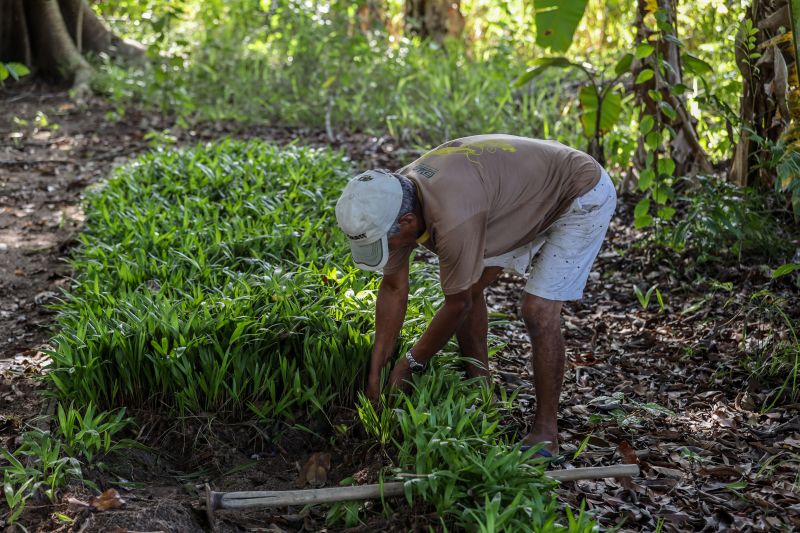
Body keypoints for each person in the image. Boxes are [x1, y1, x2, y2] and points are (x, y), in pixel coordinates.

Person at [335, 134, 616, 456]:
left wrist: (410, 363)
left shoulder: (453, 220)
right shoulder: (391, 198)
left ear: (408, 222)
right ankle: (483, 395)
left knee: (537, 310)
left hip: (578, 193)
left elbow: (458, 304)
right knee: (470, 285)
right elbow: (394, 287)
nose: (385, 251)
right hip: (509, 196)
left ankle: (546, 432)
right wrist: (376, 374)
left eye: (383, 243)